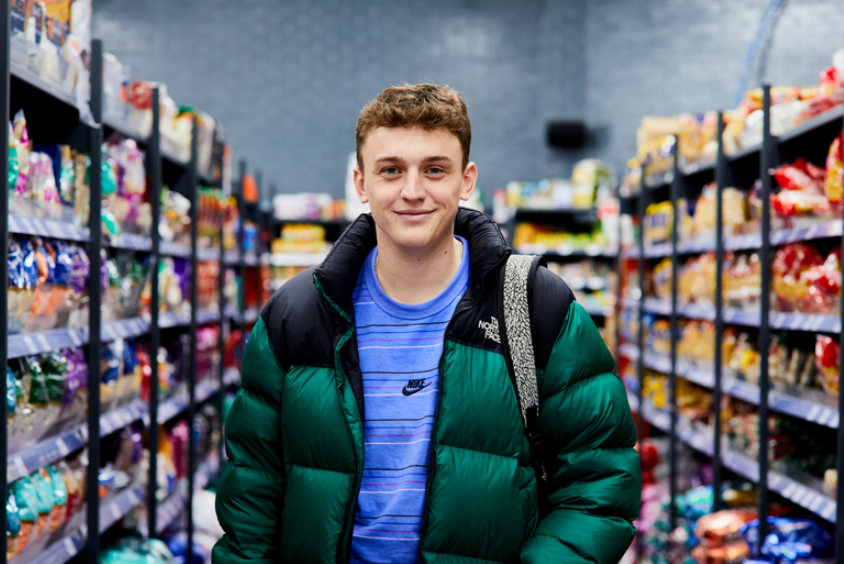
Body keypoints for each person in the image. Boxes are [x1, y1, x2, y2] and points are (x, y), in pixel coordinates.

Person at [213, 83, 640, 564]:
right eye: (391, 170)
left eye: (435, 170)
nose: (412, 191)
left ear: (466, 180)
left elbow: (600, 478)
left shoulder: (536, 305)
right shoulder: (298, 314)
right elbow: (253, 490)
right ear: (361, 184)